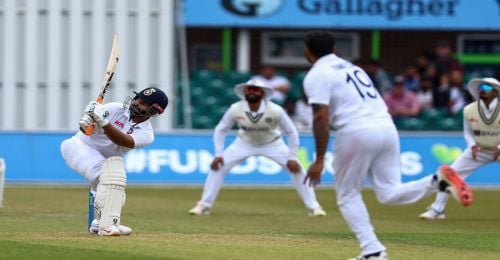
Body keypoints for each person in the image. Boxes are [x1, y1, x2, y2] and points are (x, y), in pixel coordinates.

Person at [301, 30, 473, 260]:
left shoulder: (317, 74)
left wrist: (320, 159)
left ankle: (372, 249)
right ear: (334, 49)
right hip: (386, 127)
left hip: (356, 131)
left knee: (347, 195)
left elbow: (320, 117)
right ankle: (436, 180)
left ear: (308, 50)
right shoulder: (353, 68)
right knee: (388, 193)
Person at [188, 79, 326, 217]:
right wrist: (218, 154)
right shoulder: (235, 108)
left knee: (298, 169)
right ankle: (203, 205)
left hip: (273, 143)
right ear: (245, 92)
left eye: (255, 89)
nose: (252, 92)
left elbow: (292, 132)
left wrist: (292, 157)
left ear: (262, 93)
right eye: (249, 89)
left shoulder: (276, 110)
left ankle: (314, 207)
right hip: (244, 143)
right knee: (217, 167)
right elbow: (220, 129)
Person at [61, 87, 169, 236]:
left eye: (144, 103)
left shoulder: (147, 134)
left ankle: (100, 223)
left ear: (155, 110)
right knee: (110, 178)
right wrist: (87, 120)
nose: (137, 103)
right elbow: (86, 129)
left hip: (104, 160)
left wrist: (103, 122)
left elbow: (123, 141)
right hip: (78, 146)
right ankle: (107, 227)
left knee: (116, 188)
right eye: (137, 98)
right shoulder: (114, 108)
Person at [419, 77, 500, 220]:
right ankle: (437, 210)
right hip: (478, 151)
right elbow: (468, 132)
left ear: (495, 92)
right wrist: (472, 146)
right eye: (481, 88)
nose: (482, 90)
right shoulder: (469, 110)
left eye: (487, 88)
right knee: (449, 174)